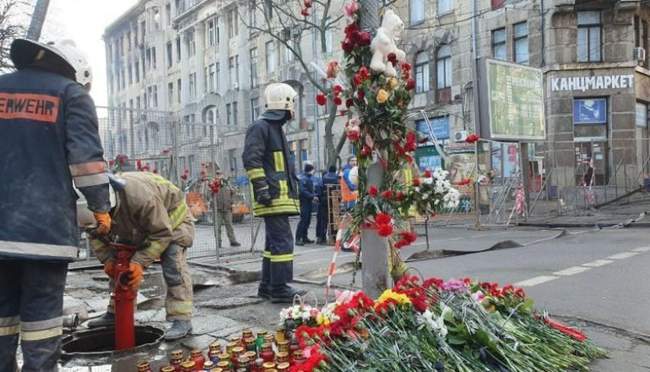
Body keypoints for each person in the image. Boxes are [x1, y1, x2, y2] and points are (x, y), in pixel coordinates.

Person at [0, 38, 111, 372]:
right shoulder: (70, 94)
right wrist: (101, 208)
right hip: (42, 231)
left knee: (2, 315)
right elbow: (87, 163)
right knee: (42, 320)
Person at [86, 172, 195, 341]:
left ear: (110, 204)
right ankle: (116, 313)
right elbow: (94, 235)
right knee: (119, 263)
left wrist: (139, 262)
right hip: (140, 222)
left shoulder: (140, 197)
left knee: (173, 265)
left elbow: (161, 233)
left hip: (172, 220)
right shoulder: (92, 203)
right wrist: (108, 260)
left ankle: (181, 319)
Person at [243, 82, 306, 303]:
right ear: (286, 102)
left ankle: (267, 286)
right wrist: (261, 189)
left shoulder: (274, 128)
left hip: (277, 197)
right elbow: (252, 159)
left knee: (273, 244)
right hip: (271, 197)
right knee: (283, 243)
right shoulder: (261, 127)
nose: (294, 108)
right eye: (293, 103)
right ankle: (280, 288)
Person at [214, 171, 241, 247]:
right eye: (218, 174)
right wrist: (216, 184)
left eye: (221, 174)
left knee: (229, 226)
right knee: (217, 227)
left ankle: (233, 241)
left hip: (227, 208)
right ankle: (218, 243)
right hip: (217, 209)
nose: (219, 176)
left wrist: (232, 202)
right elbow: (209, 194)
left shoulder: (227, 184)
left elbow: (233, 192)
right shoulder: (213, 184)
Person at [316, 166, 339, 244]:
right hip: (334, 201)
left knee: (323, 220)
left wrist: (320, 198)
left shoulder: (323, 178)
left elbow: (318, 188)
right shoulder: (337, 178)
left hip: (324, 202)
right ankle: (334, 237)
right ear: (335, 170)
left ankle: (322, 238)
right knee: (334, 220)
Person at [296, 162, 317, 246]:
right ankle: (298, 239)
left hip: (308, 202)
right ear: (311, 170)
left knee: (307, 220)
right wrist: (312, 196)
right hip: (304, 203)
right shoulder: (303, 179)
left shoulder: (307, 178)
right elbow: (303, 191)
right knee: (303, 221)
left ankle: (304, 237)